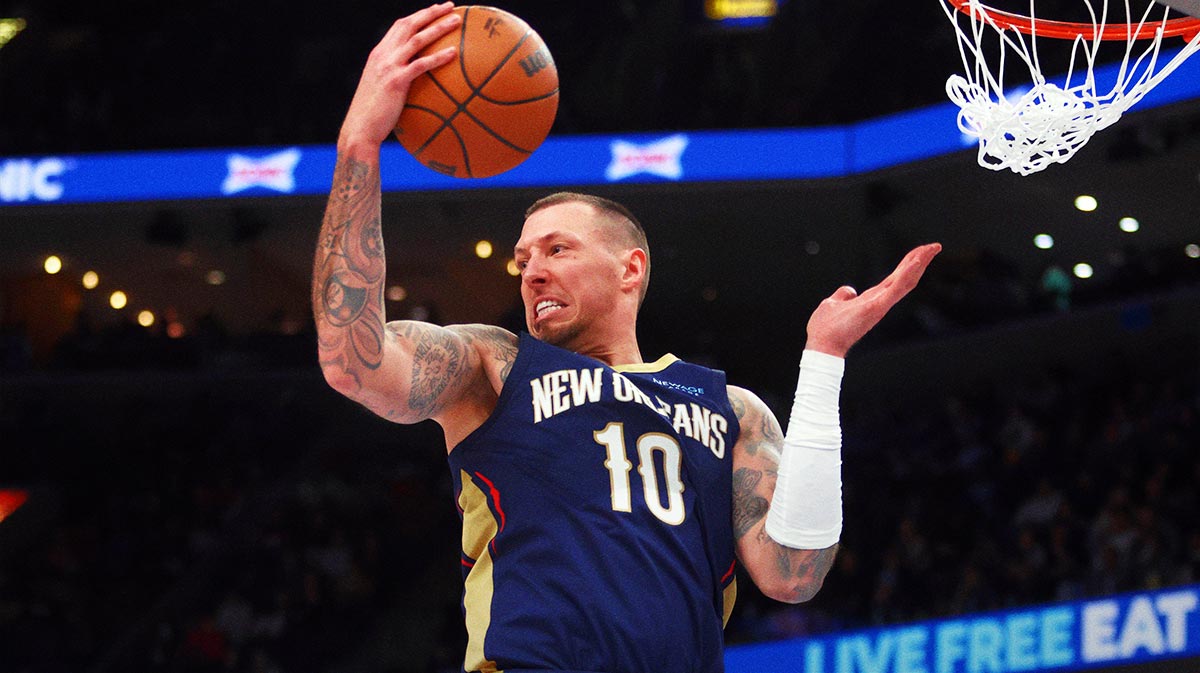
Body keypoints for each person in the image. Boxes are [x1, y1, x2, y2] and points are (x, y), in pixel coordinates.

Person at [312, 4, 941, 671]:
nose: (534, 271)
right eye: (525, 259)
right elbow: (353, 359)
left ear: (629, 268)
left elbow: (795, 574)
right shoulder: (493, 368)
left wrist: (823, 364)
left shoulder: (730, 409)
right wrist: (359, 144)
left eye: (557, 249)